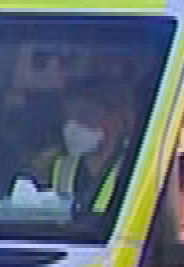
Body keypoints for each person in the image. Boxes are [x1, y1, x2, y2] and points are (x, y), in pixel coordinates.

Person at [32, 82, 136, 223]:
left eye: (84, 116)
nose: (73, 126)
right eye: (68, 117)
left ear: (115, 118)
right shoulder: (55, 166)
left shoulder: (134, 167)